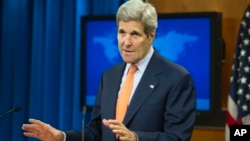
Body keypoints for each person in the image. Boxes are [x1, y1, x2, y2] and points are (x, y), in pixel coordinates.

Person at [22, 0, 196, 141]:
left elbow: (177, 137)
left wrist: (136, 138)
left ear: (151, 36)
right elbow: (96, 131)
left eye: (134, 34)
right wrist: (62, 137)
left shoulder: (177, 78)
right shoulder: (109, 76)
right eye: (122, 32)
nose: (126, 42)